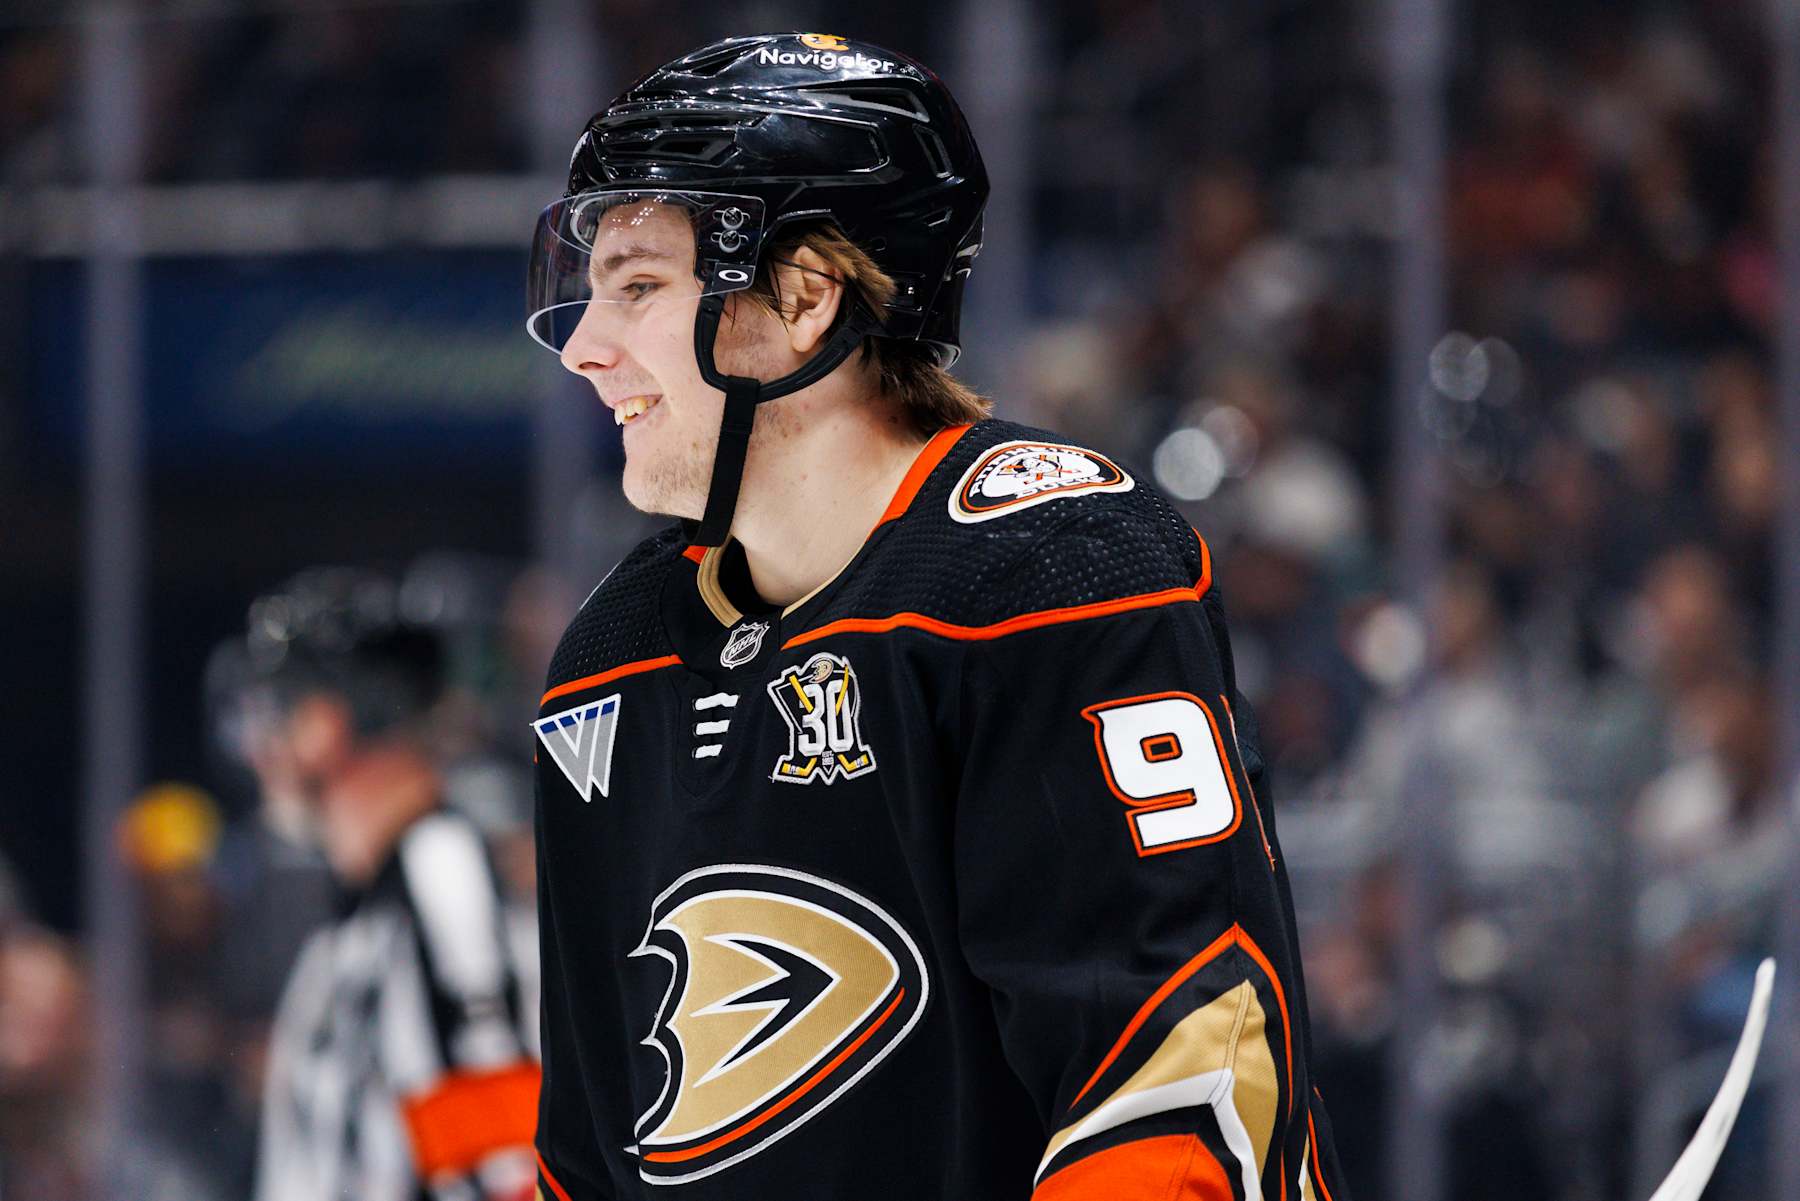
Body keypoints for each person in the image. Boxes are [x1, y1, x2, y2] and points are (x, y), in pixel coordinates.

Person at [524, 33, 1351, 1201]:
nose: (588, 351)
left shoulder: (1051, 563)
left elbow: (1183, 1076)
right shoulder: (612, 660)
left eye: (640, 285)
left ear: (807, 296)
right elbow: (588, 1160)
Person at [242, 570, 540, 1201]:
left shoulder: (440, 876)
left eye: (273, 717)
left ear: (322, 725)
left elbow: (504, 1162)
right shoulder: (378, 909)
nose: (257, 749)